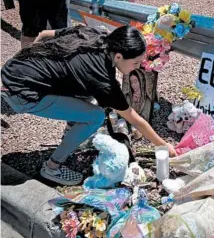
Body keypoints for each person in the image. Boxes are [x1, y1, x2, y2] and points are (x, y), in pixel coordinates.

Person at [1, 25, 177, 186]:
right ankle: (52, 167)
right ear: (118, 56)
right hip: (21, 94)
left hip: (11, 70)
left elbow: (44, 33)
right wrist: (162, 145)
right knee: (95, 116)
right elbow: (135, 119)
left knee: (87, 95)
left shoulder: (92, 33)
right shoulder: (103, 81)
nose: (137, 68)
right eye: (135, 63)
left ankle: (71, 134)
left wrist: (30, 65)